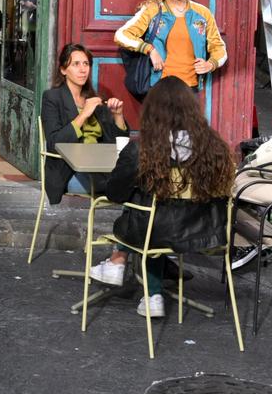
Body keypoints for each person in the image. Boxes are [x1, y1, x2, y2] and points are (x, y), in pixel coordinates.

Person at [94, 77, 235, 318]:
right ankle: (147, 289)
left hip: (156, 232)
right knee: (155, 209)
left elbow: (115, 193)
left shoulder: (143, 151)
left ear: (153, 111)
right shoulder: (215, 149)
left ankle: (126, 269)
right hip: (203, 231)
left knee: (146, 207)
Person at [114, 0, 227, 93]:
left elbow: (218, 47)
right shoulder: (153, 9)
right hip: (159, 86)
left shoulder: (202, 13)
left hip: (190, 87)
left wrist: (210, 64)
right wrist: (150, 49)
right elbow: (121, 35)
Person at [40, 43, 127, 201]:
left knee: (136, 181)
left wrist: (118, 116)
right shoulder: (52, 98)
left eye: (86, 64)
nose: (82, 69)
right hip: (70, 172)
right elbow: (54, 143)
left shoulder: (94, 99)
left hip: (101, 167)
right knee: (128, 187)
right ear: (63, 70)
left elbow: (118, 144)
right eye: (76, 64)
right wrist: (84, 114)